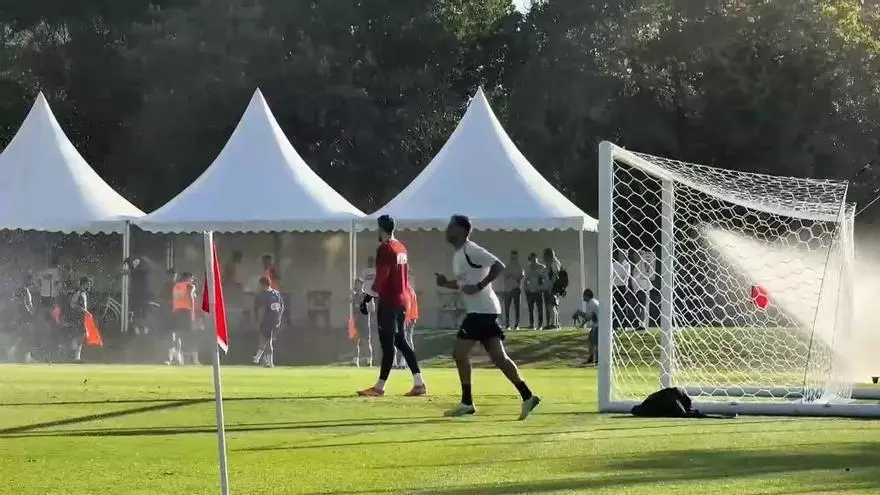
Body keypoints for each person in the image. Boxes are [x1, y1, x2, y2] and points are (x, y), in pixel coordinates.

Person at [436, 215, 540, 420]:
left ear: (462, 231)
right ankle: (528, 396)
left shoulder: (471, 249)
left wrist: (481, 286)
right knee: (499, 358)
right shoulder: (458, 255)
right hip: (485, 310)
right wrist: (446, 283)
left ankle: (467, 403)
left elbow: (498, 265)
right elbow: (465, 284)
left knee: (459, 353)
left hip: (481, 312)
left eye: (451, 227)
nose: (447, 230)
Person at [357, 214, 426, 397]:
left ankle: (379, 387)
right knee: (400, 341)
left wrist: (366, 298)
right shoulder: (401, 247)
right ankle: (419, 383)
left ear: (381, 229)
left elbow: (381, 278)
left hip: (389, 301)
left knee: (388, 344)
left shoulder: (385, 248)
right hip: (402, 300)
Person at [252, 276, 284, 368]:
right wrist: (279, 318)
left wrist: (259, 322)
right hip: (275, 322)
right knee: (267, 340)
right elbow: (282, 307)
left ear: (262, 284)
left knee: (265, 340)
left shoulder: (263, 295)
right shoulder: (276, 293)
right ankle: (264, 360)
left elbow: (262, 310)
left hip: (267, 322)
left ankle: (262, 359)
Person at [169, 272, 197, 365]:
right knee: (189, 336)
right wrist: (193, 315)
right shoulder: (190, 286)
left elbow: (175, 299)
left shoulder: (176, 286)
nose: (192, 280)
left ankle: (178, 358)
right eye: (191, 278)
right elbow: (191, 299)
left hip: (177, 311)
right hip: (186, 311)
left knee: (178, 336)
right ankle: (192, 359)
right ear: (187, 278)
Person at [354, 256, 377, 367]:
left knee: (367, 341)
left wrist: (365, 306)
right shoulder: (354, 296)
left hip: (364, 321)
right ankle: (355, 360)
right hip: (356, 321)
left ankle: (369, 360)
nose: (356, 286)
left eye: (358, 284)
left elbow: (372, 308)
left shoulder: (367, 296)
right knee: (356, 341)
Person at [8, 274, 36, 363]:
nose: (32, 283)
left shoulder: (20, 290)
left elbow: (15, 301)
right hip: (24, 317)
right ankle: (21, 356)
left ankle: (21, 355)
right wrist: (30, 313)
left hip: (21, 317)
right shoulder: (24, 290)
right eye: (31, 280)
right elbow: (24, 303)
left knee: (22, 337)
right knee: (25, 337)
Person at [572, 289, 600, 365]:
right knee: (591, 341)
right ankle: (591, 358)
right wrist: (581, 324)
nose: (583, 298)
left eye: (584, 296)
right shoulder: (594, 302)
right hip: (597, 324)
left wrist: (579, 313)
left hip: (598, 325)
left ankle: (597, 360)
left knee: (596, 343)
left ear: (587, 296)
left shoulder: (591, 303)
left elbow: (588, 317)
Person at [630, 248, 656, 330]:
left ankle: (642, 324)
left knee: (642, 306)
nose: (634, 257)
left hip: (642, 288)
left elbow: (647, 275)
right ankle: (640, 323)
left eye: (636, 255)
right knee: (639, 306)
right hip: (638, 289)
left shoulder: (643, 264)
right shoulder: (638, 264)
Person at [395, 282, 419, 369]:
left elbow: (408, 304)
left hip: (408, 317)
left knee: (406, 339)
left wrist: (406, 318)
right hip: (409, 316)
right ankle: (404, 362)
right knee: (406, 338)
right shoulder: (409, 289)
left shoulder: (406, 290)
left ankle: (404, 362)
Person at [68, 277, 91, 363]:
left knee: (81, 337)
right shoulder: (78, 293)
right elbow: (72, 304)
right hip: (77, 319)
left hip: (82, 319)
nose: (89, 285)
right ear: (83, 284)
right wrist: (83, 310)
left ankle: (76, 357)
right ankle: (74, 355)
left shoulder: (84, 294)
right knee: (78, 337)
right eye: (87, 284)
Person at [501, 250, 524, 330]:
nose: (513, 259)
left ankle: (516, 324)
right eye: (512, 257)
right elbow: (505, 277)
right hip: (508, 290)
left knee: (517, 308)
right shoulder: (507, 267)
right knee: (507, 308)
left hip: (516, 289)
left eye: (515, 257)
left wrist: (515, 277)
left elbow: (521, 277)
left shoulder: (519, 267)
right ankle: (507, 325)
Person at [523, 253, 545, 329]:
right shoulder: (528, 268)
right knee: (530, 309)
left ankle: (540, 324)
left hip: (538, 291)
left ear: (537, 258)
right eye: (531, 259)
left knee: (539, 309)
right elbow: (525, 280)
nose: (533, 261)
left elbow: (545, 279)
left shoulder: (541, 267)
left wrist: (542, 286)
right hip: (530, 291)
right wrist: (526, 289)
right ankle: (531, 324)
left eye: (534, 259)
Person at [542, 248, 562, 329]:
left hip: (554, 287)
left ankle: (553, 323)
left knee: (550, 305)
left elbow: (556, 275)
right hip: (555, 287)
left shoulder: (554, 263)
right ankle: (556, 323)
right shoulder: (553, 263)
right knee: (553, 305)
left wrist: (552, 285)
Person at [612, 251, 631, 330]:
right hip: (615, 287)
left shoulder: (627, 265)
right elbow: (613, 275)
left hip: (623, 287)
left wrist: (618, 277)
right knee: (615, 306)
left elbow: (626, 276)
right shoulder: (614, 264)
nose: (621, 256)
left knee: (624, 306)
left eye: (623, 255)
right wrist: (618, 278)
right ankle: (615, 325)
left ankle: (624, 325)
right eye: (620, 254)